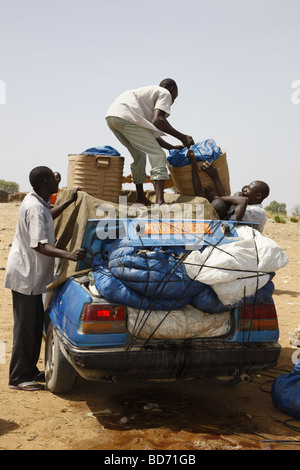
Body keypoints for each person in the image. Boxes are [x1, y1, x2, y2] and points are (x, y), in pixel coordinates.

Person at [4, 167, 86, 391]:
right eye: (52, 179)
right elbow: (40, 245)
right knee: (25, 329)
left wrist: (68, 201)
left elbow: (48, 216)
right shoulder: (33, 207)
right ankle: (18, 377)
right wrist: (69, 254)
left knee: (34, 326)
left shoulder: (38, 202)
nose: (56, 180)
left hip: (34, 277)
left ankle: (29, 370)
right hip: (26, 276)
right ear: (43, 182)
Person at [106, 79, 194, 205]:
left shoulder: (146, 101)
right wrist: (183, 137)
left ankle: (140, 197)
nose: (173, 101)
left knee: (139, 155)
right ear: (172, 89)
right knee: (158, 155)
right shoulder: (165, 93)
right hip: (126, 117)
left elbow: (151, 137)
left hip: (113, 117)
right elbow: (158, 120)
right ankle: (160, 201)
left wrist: (171, 147)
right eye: (175, 97)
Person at [186, 149, 269, 232]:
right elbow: (226, 200)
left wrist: (216, 194)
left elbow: (239, 201)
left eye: (249, 189)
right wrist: (194, 164)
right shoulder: (244, 207)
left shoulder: (258, 212)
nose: (245, 190)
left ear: (258, 196)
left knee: (231, 198)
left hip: (240, 236)